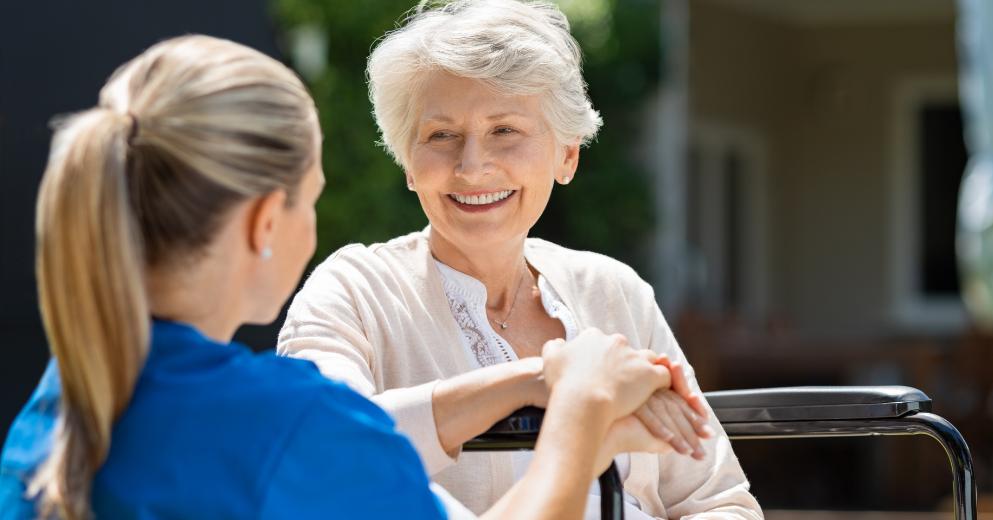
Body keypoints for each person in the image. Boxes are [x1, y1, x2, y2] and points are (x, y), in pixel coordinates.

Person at [0, 35, 681, 520]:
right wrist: (580, 414)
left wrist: (529, 379)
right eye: (314, 196)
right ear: (268, 222)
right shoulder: (291, 426)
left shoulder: (69, 396)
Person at [277, 1, 764, 519]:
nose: (471, 166)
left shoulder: (613, 290)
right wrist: (549, 381)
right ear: (408, 163)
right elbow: (319, 446)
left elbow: (718, 499)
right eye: (441, 135)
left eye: (504, 130)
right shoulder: (353, 291)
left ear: (567, 156)